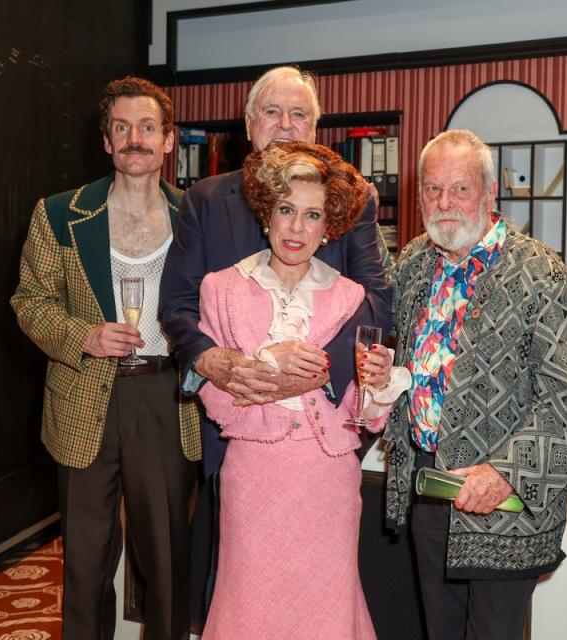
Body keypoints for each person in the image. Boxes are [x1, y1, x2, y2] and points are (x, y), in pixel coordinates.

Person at [157, 66, 392, 611]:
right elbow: (178, 305)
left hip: (322, 430)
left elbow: (379, 302)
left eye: (299, 114)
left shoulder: (350, 198)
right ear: (247, 124)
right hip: (237, 430)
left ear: (316, 126)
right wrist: (214, 360)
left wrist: (306, 370)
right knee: (241, 585)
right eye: (272, 112)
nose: (285, 125)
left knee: (321, 594)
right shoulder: (205, 200)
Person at [382, 130, 567, 640]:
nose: (444, 203)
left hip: (505, 502)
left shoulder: (540, 272)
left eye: (460, 189)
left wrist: (504, 474)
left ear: (490, 193)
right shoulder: (411, 264)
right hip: (430, 486)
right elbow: (401, 366)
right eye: (432, 190)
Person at [10, 77, 199, 639]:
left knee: (166, 563)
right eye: (122, 127)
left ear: (168, 141)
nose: (133, 138)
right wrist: (82, 336)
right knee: (86, 566)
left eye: (147, 127)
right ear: (105, 139)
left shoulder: (194, 218)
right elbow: (29, 301)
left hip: (167, 398)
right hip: (82, 396)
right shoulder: (60, 214)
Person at [195, 141, 406, 639]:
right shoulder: (220, 288)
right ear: (267, 210)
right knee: (249, 606)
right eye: (287, 210)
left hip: (326, 476)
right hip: (253, 472)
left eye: (312, 215)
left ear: (328, 226)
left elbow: (360, 411)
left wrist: (375, 389)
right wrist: (270, 364)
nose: (296, 228)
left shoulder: (352, 296)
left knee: (325, 611)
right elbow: (215, 393)